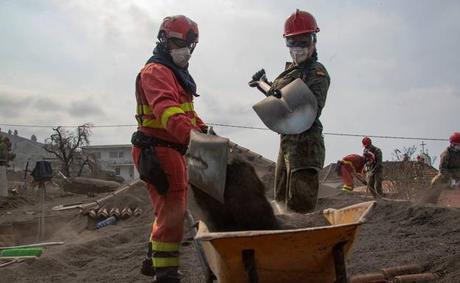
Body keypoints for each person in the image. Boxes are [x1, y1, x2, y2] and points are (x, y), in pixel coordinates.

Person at [131, 15, 207, 283]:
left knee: (167, 210)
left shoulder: (176, 75)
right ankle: (166, 275)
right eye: (176, 42)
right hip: (158, 149)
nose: (182, 48)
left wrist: (205, 132)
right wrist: (194, 139)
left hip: (169, 149)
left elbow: (187, 114)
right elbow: (168, 112)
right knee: (172, 214)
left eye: (186, 44)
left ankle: (153, 260)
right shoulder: (156, 72)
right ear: (163, 40)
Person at [268, 9, 330, 213]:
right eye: (292, 42)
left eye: (303, 41)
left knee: (300, 208)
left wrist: (278, 97)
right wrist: (266, 88)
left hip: (305, 147)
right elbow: (280, 104)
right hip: (286, 144)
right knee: (281, 204)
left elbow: (310, 112)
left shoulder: (317, 73)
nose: (297, 48)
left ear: (314, 41)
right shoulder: (288, 72)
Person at [424, 132, 460, 203]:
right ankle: (430, 201)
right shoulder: (446, 154)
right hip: (446, 172)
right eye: (456, 145)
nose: (458, 146)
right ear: (452, 144)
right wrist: (451, 179)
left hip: (458, 172)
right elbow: (442, 168)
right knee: (436, 181)